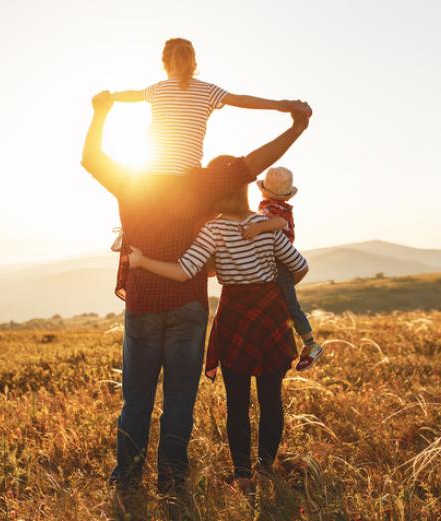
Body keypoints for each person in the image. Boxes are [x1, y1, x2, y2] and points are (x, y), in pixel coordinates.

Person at [80, 89, 311, 494]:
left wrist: (101, 113)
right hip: (187, 305)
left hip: (143, 304)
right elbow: (257, 163)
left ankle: (128, 478)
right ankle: (171, 479)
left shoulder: (131, 178)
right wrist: (296, 126)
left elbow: (91, 158)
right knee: (179, 402)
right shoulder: (204, 182)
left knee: (136, 400)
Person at [127, 181, 309, 496]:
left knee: (237, 402)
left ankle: (242, 476)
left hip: (235, 313)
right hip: (271, 313)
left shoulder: (213, 229)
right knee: (271, 397)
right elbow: (300, 266)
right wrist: (272, 287)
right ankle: (265, 469)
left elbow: (184, 271)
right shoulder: (264, 224)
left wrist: (142, 262)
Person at [111, 37, 300, 175]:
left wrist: (111, 97)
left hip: (150, 174)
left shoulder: (157, 89)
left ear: (165, 63)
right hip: (188, 175)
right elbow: (241, 100)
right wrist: (279, 105)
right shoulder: (208, 90)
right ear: (193, 62)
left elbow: (131, 95)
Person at [240, 166, 324, 370]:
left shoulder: (275, 211)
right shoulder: (273, 206)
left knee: (290, 304)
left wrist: (257, 228)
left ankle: (310, 344)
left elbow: (278, 223)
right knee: (283, 303)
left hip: (280, 261)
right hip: (276, 261)